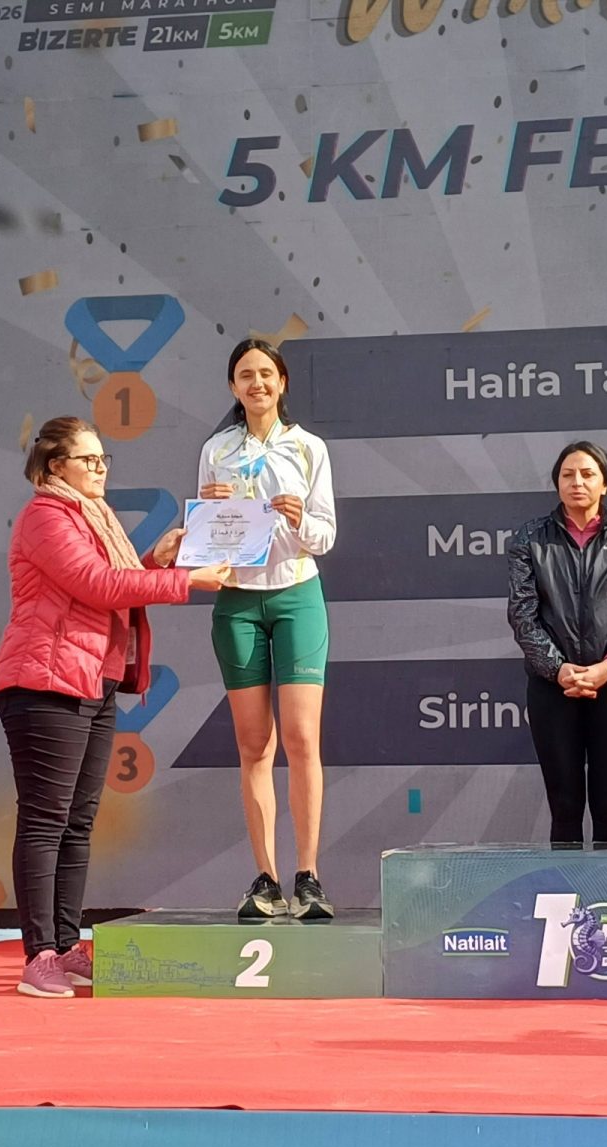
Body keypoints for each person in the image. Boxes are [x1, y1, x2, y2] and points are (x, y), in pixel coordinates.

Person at [0, 416, 229, 999]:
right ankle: (39, 955)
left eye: (103, 459)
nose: (101, 468)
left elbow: (113, 583)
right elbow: (96, 585)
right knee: (45, 820)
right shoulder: (46, 515)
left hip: (93, 679)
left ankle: (66, 945)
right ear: (56, 466)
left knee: (77, 821)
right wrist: (185, 581)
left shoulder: (90, 516)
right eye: (89, 459)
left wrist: (158, 560)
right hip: (45, 681)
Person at [198, 338, 338, 919]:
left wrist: (298, 516)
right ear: (233, 387)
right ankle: (265, 879)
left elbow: (325, 537)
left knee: (302, 739)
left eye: (266, 374)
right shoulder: (216, 450)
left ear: (282, 382)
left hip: (297, 595)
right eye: (245, 375)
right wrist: (208, 512)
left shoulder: (308, 447)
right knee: (254, 744)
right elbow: (208, 546)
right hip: (237, 601)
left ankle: (308, 875)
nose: (256, 383)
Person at [507, 442, 607, 848]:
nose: (577, 482)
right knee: (565, 807)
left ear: (605, 484)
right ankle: (567, 893)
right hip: (552, 686)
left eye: (588, 474)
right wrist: (558, 670)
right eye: (567, 474)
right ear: (557, 483)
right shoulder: (530, 538)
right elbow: (523, 615)